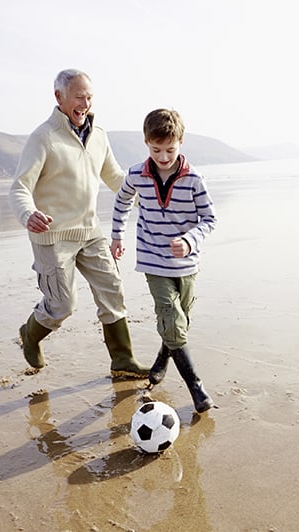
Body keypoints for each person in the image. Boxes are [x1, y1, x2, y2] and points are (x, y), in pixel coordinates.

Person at [9, 68, 149, 379]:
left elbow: (115, 177)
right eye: (78, 97)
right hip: (52, 236)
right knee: (62, 305)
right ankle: (30, 334)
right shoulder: (43, 137)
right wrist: (28, 213)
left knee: (112, 290)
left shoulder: (99, 135)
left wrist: (150, 200)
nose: (84, 103)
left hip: (90, 231)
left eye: (89, 97)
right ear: (59, 97)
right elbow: (20, 187)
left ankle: (123, 359)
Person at [110, 108, 217, 413]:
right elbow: (121, 202)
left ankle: (161, 359)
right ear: (146, 143)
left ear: (180, 142)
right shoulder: (136, 175)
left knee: (180, 321)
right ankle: (196, 387)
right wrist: (117, 235)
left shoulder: (194, 179)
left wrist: (188, 240)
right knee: (170, 316)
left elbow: (209, 218)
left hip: (187, 263)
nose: (164, 156)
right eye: (156, 150)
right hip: (153, 260)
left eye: (170, 149)